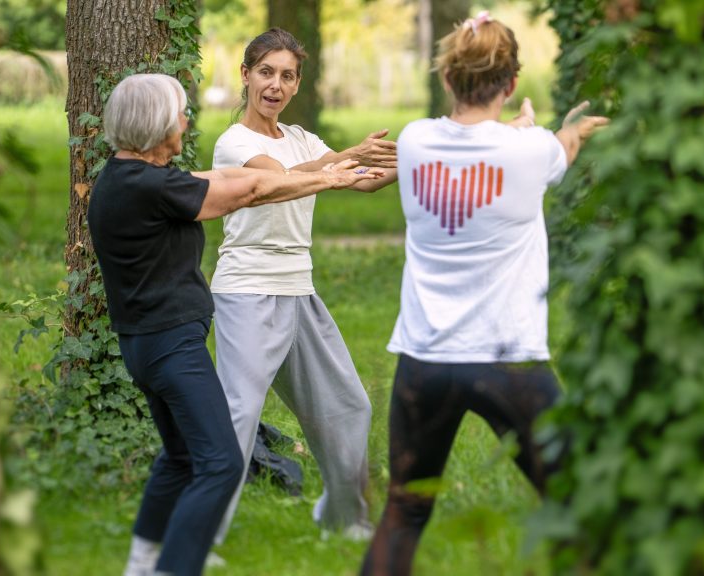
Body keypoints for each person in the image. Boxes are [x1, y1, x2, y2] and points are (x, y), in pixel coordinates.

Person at [86, 73, 382, 576]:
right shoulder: (152, 188)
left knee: (180, 457)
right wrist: (327, 177)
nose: (186, 121)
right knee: (221, 462)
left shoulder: (126, 179)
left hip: (145, 345)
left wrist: (335, 165)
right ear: (158, 125)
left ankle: (143, 561)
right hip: (170, 348)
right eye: (180, 114)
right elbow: (247, 191)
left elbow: (223, 181)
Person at [359, 12, 608, 576]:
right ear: (512, 83)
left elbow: (475, 139)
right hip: (510, 363)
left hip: (425, 361)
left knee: (403, 511)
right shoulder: (531, 151)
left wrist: (518, 130)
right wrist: (566, 126)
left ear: (448, 78)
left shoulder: (418, 141)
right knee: (580, 506)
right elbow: (561, 147)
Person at [209, 27, 398, 545]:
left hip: (299, 291)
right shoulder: (235, 143)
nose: (275, 84)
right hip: (248, 292)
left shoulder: (302, 139)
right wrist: (340, 162)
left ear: (297, 85)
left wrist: (416, 159)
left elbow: (360, 177)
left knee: (348, 406)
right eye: (266, 72)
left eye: (287, 76)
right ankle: (198, 539)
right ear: (245, 76)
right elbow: (277, 182)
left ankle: (344, 519)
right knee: (238, 415)